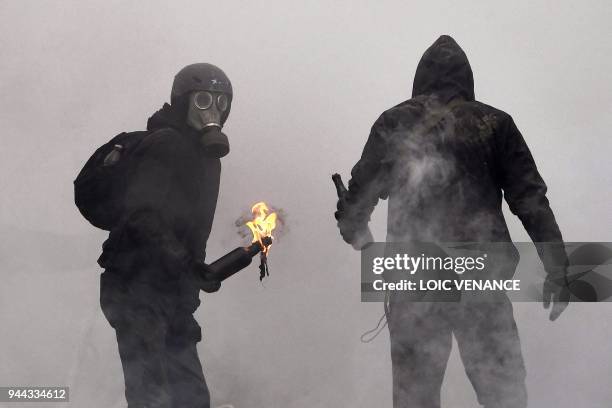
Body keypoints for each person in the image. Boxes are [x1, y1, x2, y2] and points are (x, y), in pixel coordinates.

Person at [335, 35, 568, 408]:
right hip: (481, 275)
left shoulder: (394, 122)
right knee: (503, 393)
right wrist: (557, 265)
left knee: (415, 396)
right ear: (466, 78)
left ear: (420, 78)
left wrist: (354, 228)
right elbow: (530, 199)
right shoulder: (496, 123)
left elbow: (359, 199)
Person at [97, 63, 233, 408]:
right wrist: (186, 265)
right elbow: (142, 216)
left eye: (220, 102)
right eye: (203, 100)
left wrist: (194, 280)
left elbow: (195, 231)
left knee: (191, 397)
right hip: (134, 288)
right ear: (182, 100)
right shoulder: (165, 145)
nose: (212, 111)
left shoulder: (207, 160)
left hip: (171, 294)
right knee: (151, 396)